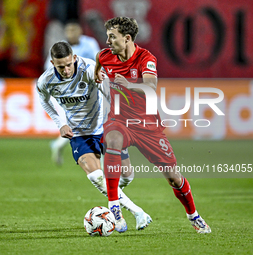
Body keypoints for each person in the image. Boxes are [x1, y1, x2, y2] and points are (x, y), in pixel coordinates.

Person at [94, 17, 211, 234]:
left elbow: (151, 85)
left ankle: (194, 216)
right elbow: (99, 62)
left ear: (127, 38)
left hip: (147, 125)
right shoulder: (105, 56)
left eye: (112, 37)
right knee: (112, 139)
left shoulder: (146, 58)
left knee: (174, 178)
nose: (107, 41)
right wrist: (96, 75)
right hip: (119, 119)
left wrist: (128, 84)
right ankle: (114, 207)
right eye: (108, 36)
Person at [37, 41, 151, 232]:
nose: (65, 70)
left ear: (74, 58)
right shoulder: (45, 80)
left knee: (126, 176)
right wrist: (61, 124)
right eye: (60, 66)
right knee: (97, 177)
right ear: (52, 63)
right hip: (79, 133)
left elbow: (109, 92)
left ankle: (114, 205)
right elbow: (45, 101)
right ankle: (136, 212)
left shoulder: (89, 68)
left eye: (68, 64)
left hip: (105, 127)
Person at [45, 21, 100, 166]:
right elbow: (48, 67)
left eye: (74, 30)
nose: (71, 33)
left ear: (80, 31)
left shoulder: (89, 44)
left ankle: (58, 145)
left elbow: (98, 63)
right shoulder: (60, 47)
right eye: (69, 30)